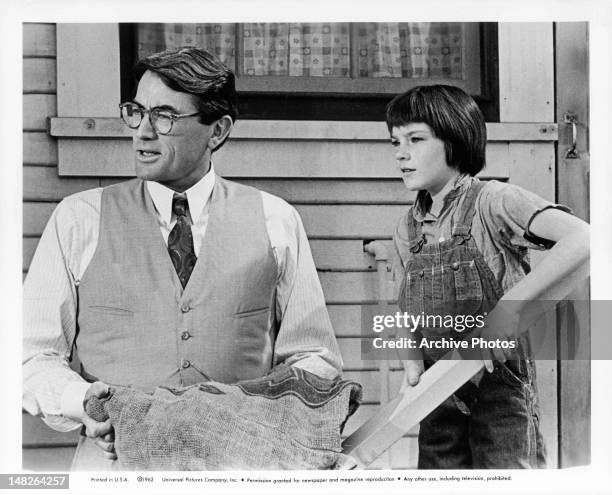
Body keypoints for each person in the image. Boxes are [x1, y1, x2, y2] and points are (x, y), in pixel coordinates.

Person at [22, 47, 342, 470]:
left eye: (165, 116)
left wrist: (264, 419)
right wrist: (82, 402)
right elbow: (31, 357)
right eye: (136, 111)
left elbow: (313, 358)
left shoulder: (275, 220)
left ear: (217, 130)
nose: (143, 131)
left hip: (240, 470)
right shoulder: (79, 219)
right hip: (116, 471)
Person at [387, 85, 589, 468]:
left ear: (456, 138)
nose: (401, 152)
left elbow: (582, 240)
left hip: (499, 389)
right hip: (437, 393)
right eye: (395, 141)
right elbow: (404, 311)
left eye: (415, 138)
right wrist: (411, 361)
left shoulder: (493, 201)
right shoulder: (406, 228)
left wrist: (508, 311)